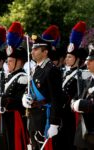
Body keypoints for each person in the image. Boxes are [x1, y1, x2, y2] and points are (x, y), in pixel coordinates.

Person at [22, 35, 63, 150]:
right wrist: (25, 98)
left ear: (45, 52)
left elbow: (56, 98)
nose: (32, 51)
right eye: (32, 49)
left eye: (36, 49)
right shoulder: (35, 68)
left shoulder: (51, 70)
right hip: (33, 116)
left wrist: (54, 123)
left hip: (45, 117)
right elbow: (29, 88)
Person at [0, 21, 29, 150]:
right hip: (5, 115)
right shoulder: (7, 76)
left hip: (16, 118)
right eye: (7, 61)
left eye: (11, 61)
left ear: (19, 62)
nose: (8, 63)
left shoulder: (23, 78)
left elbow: (20, 102)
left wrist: (4, 101)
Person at [61, 21, 88, 150]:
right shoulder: (65, 73)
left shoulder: (84, 74)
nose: (67, 59)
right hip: (64, 113)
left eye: (70, 57)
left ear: (78, 59)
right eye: (66, 57)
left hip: (74, 114)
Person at [71, 46, 94, 150]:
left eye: (91, 60)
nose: (87, 63)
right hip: (84, 132)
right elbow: (80, 97)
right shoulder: (89, 79)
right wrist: (74, 102)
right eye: (87, 60)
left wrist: (81, 104)